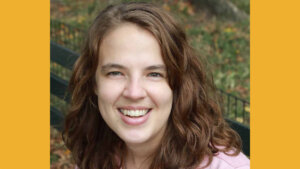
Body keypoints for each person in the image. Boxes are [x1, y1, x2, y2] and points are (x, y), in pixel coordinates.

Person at [63, 2, 250, 169]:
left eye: (154, 74)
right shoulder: (95, 153)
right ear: (93, 82)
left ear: (178, 83)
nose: (134, 92)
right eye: (116, 73)